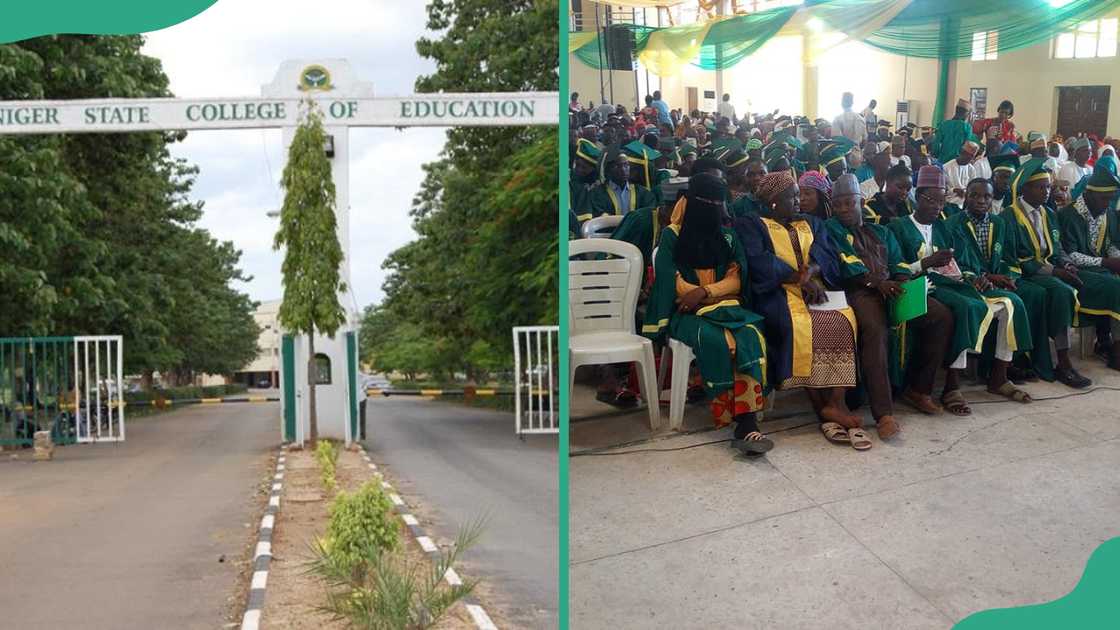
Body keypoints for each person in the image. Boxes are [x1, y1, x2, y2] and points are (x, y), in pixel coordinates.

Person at [641, 173, 774, 455]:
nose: (719, 211)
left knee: (749, 335)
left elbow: (737, 277)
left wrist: (704, 293)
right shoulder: (672, 235)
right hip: (684, 312)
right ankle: (740, 420)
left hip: (721, 305)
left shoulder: (726, 235)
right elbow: (670, 277)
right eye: (712, 204)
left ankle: (746, 422)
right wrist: (692, 296)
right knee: (716, 340)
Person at [826, 174, 955, 441]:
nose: (843, 210)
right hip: (860, 291)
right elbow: (846, 262)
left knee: (940, 316)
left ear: (860, 202)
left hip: (892, 288)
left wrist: (903, 281)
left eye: (849, 203)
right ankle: (884, 414)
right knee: (875, 331)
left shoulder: (881, 230)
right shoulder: (832, 229)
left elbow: (898, 262)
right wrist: (877, 283)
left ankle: (920, 389)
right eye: (837, 204)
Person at [734, 172, 863, 436]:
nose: (798, 201)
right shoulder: (751, 224)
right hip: (775, 293)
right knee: (806, 326)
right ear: (772, 202)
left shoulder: (811, 222)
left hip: (815, 287)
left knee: (843, 319)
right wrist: (797, 278)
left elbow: (826, 253)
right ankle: (821, 407)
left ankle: (836, 402)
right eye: (791, 196)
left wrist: (811, 271)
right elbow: (759, 260)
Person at [888, 166, 1019, 415]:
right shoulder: (899, 226)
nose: (938, 207)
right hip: (913, 287)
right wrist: (926, 263)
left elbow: (957, 262)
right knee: (959, 309)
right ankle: (928, 388)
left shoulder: (943, 227)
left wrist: (968, 276)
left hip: (944, 284)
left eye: (942, 200)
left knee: (978, 303)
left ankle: (961, 380)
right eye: (932, 200)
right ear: (918, 196)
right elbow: (895, 267)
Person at [1002, 158, 1091, 387]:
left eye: (1048, 187)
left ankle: (1061, 358)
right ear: (1025, 189)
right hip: (1023, 272)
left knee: (1065, 291)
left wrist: (1067, 264)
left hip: (1049, 270)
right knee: (1058, 291)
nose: (1046, 192)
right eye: (1040, 187)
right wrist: (1055, 272)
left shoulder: (1049, 213)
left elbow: (1057, 246)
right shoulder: (1009, 215)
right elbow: (1015, 257)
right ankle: (1055, 360)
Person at [944, 179, 1036, 401]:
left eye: (986, 196)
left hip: (991, 286)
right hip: (964, 285)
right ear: (966, 196)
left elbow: (1008, 258)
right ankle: (952, 384)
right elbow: (952, 262)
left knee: (1013, 304)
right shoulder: (952, 224)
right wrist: (977, 277)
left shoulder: (999, 223)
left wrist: (1006, 277)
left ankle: (999, 376)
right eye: (975, 195)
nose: (981, 201)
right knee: (969, 310)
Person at [1057, 162, 1120, 370]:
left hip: (1103, 269)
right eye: (1104, 199)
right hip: (1077, 271)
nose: (1107, 203)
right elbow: (1070, 255)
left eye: (1111, 199)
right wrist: (1105, 262)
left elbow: (1109, 243)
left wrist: (1117, 258)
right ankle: (1114, 348)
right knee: (1114, 286)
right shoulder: (1069, 214)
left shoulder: (1108, 213)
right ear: (1090, 195)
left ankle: (1105, 340)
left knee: (1113, 280)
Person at [587, 147, 658, 220]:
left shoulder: (643, 193)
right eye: (617, 166)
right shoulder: (596, 194)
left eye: (626, 165)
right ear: (608, 170)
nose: (623, 170)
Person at [569, 138, 601, 232]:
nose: (579, 170)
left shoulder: (596, 185)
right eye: (577, 165)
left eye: (584, 167)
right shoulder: (570, 179)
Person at [931, 99, 976, 164]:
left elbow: (936, 144)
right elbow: (967, 146)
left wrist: (937, 155)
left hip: (942, 161)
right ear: (966, 113)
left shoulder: (944, 124)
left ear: (956, 110)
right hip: (957, 162)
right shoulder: (967, 127)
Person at [944, 140, 981, 209]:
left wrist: (966, 192)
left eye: (971, 156)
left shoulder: (971, 169)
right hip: (949, 204)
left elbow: (973, 188)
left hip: (966, 203)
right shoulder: (946, 167)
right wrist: (954, 190)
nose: (968, 157)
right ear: (961, 152)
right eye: (966, 154)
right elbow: (942, 190)